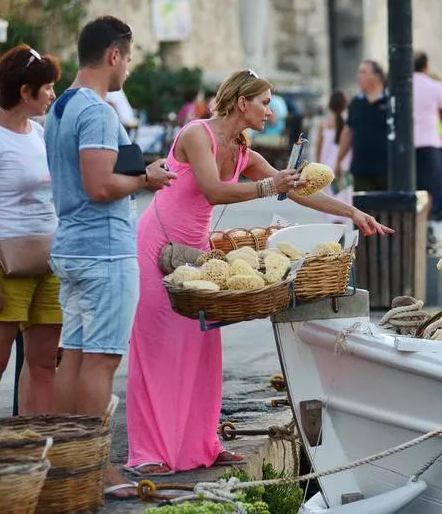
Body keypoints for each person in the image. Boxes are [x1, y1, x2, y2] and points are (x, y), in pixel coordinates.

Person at [124, 69, 393, 476]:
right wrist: (271, 187)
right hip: (158, 246)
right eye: (265, 102)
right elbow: (215, 190)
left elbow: (298, 191)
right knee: (160, 345)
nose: (271, 111)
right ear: (240, 103)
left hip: (195, 251)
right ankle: (150, 452)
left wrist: (352, 213)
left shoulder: (244, 149)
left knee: (201, 349)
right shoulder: (198, 134)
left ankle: (201, 446)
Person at [44, 16, 176, 498]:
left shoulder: (61, 106)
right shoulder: (98, 112)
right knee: (100, 362)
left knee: (73, 360)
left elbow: (93, 173)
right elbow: (100, 185)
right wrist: (147, 179)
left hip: (74, 248)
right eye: (130, 57)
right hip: (103, 251)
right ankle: (98, 468)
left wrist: (138, 167)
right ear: (114, 55)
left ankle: (67, 461)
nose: (130, 68)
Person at [0, 45, 61, 420]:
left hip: (49, 260)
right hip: (5, 264)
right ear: (25, 92)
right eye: (47, 88)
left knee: (44, 362)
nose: (53, 95)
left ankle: (34, 445)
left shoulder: (38, 134)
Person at [335, 60, 389, 192]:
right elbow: (348, 132)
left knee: (388, 210)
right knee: (362, 210)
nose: (359, 76)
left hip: (388, 169)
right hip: (361, 169)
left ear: (377, 76)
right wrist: (338, 161)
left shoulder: (391, 101)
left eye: (363, 72)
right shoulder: (356, 103)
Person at [413, 52, 442, 211]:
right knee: (427, 190)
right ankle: (422, 226)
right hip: (430, 142)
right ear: (426, 66)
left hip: (406, 145)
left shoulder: (399, 86)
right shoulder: (436, 86)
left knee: (410, 187)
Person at [316, 90, 352, 222]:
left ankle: (333, 225)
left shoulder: (324, 123)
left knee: (329, 199)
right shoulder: (348, 122)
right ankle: (341, 222)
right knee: (343, 197)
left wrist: (317, 165)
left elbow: (319, 148)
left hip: (327, 166)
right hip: (344, 165)